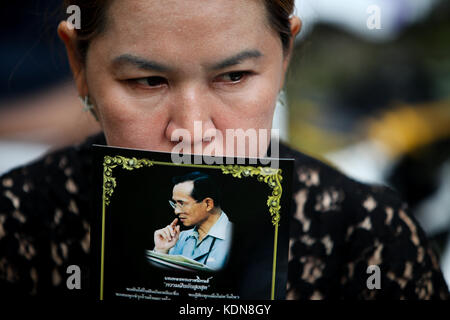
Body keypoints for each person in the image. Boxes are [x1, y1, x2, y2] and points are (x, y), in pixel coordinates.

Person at [0, 0, 448, 299]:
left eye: (234, 76)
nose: (193, 131)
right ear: (79, 64)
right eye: (147, 81)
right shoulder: (14, 226)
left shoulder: (371, 240)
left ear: (286, 53)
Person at [153, 172, 232, 271]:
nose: (176, 211)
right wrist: (161, 250)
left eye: (182, 203)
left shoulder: (236, 239)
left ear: (208, 204)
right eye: (174, 204)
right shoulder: (178, 238)